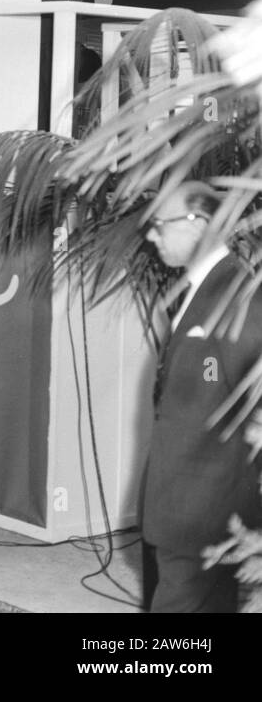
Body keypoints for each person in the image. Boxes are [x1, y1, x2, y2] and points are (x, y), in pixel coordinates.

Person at [140, 181, 262, 613]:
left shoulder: (236, 296)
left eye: (160, 225)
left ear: (199, 225)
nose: (152, 235)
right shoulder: (200, 289)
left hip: (207, 513)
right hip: (184, 508)